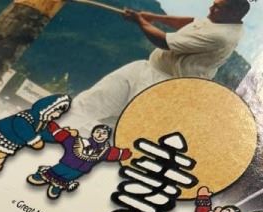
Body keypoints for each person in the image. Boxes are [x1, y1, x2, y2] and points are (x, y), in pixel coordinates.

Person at [71, 0, 250, 129]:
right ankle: (64, 125)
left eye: (217, 7)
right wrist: (154, 17)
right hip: (148, 69)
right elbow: (193, 22)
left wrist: (140, 21)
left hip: (164, 87)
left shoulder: (222, 36)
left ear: (233, 13)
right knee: (93, 101)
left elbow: (163, 41)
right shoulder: (222, 20)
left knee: (124, 126)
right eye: (214, 3)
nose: (211, 8)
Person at [0, 94, 71, 173]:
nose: (57, 115)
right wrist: (33, 140)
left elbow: (44, 133)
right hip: (0, 131)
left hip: (12, 141)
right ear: (48, 108)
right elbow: (20, 125)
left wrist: (59, 136)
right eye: (56, 111)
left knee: (0, 153)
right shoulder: (29, 115)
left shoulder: (43, 123)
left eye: (60, 113)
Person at [27, 122, 131, 199]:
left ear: (107, 136)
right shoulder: (77, 141)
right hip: (65, 164)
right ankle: (42, 176)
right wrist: (55, 128)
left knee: (66, 179)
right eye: (98, 132)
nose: (100, 134)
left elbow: (119, 154)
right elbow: (63, 137)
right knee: (55, 172)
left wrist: (128, 152)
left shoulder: (106, 151)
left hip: (78, 172)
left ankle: (57, 187)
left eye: (104, 133)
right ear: (93, 133)